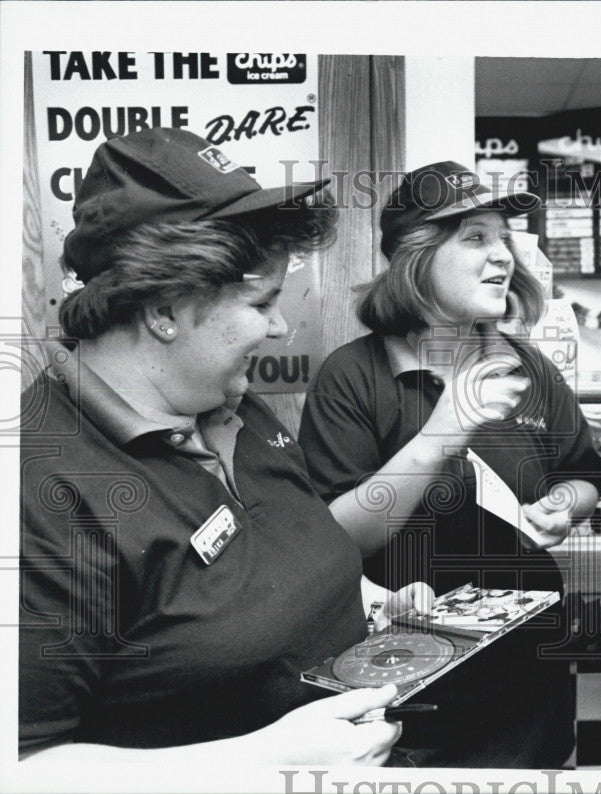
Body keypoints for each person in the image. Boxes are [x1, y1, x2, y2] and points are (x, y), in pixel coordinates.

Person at [19, 128, 433, 765]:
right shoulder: (39, 490)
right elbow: (25, 766)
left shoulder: (235, 406)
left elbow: (271, 563)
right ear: (164, 307)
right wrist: (265, 764)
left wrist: (362, 601)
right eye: (261, 301)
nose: (280, 325)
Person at [298, 161, 601, 767]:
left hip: (529, 690)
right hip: (410, 699)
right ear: (416, 257)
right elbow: (336, 539)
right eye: (474, 237)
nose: (502, 256)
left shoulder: (528, 369)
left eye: (503, 237)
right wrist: (445, 427)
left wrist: (564, 505)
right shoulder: (354, 378)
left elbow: (587, 474)